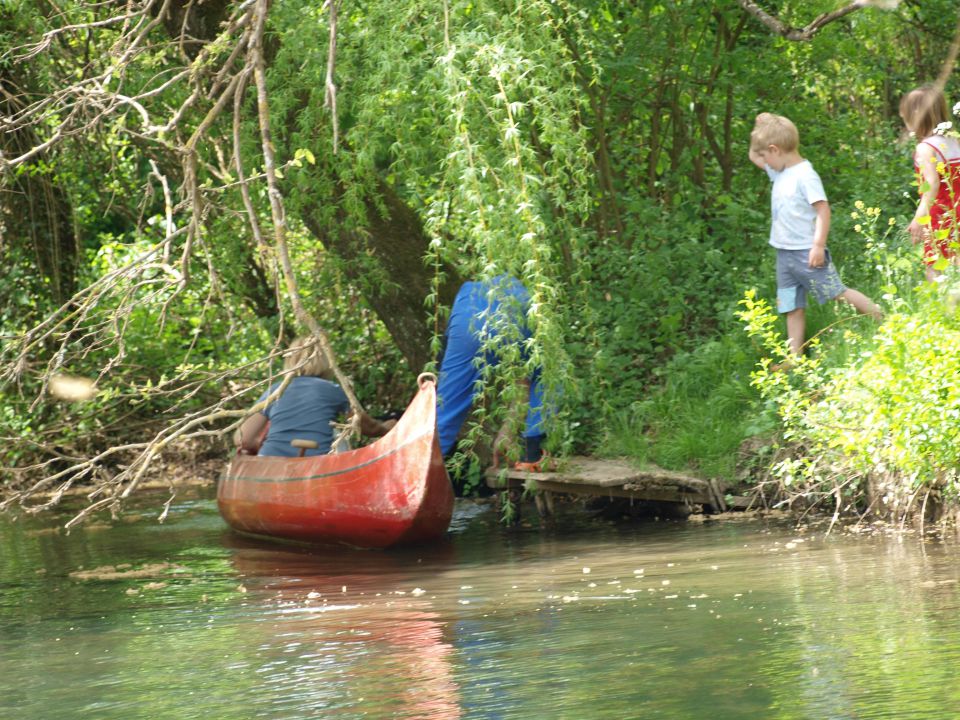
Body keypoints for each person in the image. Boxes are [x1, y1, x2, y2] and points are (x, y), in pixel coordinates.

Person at [748, 112, 882, 360]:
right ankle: (795, 359)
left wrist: (818, 245)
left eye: (766, 155)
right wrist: (760, 126)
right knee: (791, 306)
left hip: (806, 254)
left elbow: (823, 209)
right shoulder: (778, 171)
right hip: (784, 257)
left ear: (775, 149)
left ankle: (882, 319)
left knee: (837, 292)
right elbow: (754, 153)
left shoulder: (804, 175)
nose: (763, 161)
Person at [436, 275, 546, 468]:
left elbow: (444, 357)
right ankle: (533, 453)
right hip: (516, 325)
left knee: (445, 410)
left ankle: (416, 473)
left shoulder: (467, 291)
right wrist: (508, 431)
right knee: (544, 377)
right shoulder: (530, 297)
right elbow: (525, 380)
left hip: (467, 325)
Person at [235, 335, 395, 457]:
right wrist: (386, 428)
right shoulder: (334, 390)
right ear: (326, 362)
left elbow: (243, 439)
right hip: (316, 463)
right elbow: (367, 427)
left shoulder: (274, 391)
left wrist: (258, 444)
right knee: (337, 436)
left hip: (271, 461)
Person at [899, 85, 960, 281]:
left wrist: (919, 217)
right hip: (957, 210)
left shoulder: (926, 148)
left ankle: (939, 308)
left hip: (941, 214)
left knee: (934, 266)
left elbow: (932, 184)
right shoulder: (954, 140)